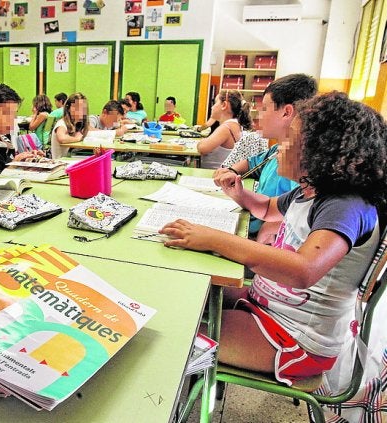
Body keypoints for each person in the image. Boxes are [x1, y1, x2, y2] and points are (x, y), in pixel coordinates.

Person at [161, 91, 387, 387]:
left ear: (324, 152)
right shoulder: (310, 190)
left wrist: (214, 239)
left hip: (296, 336)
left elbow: (303, 270)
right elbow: (268, 208)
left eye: (290, 139)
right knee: (185, 293)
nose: (280, 145)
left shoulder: (344, 205)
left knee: (175, 332)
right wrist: (239, 194)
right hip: (268, 307)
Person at [213, 74, 317, 240]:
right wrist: (231, 170)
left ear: (286, 112)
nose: (259, 116)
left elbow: (294, 215)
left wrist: (265, 232)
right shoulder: (277, 149)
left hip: (262, 239)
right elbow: (251, 162)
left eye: (264, 109)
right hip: (251, 221)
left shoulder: (297, 165)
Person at [197, 89, 253, 169]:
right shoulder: (235, 124)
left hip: (213, 174)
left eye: (215, 103)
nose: (212, 107)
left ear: (224, 105)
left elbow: (202, 148)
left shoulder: (226, 128)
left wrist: (201, 142)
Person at [50, 92, 89, 159]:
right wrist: (77, 138)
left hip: (70, 160)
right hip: (60, 163)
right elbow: (61, 139)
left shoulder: (76, 124)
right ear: (68, 108)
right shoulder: (61, 124)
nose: (80, 111)